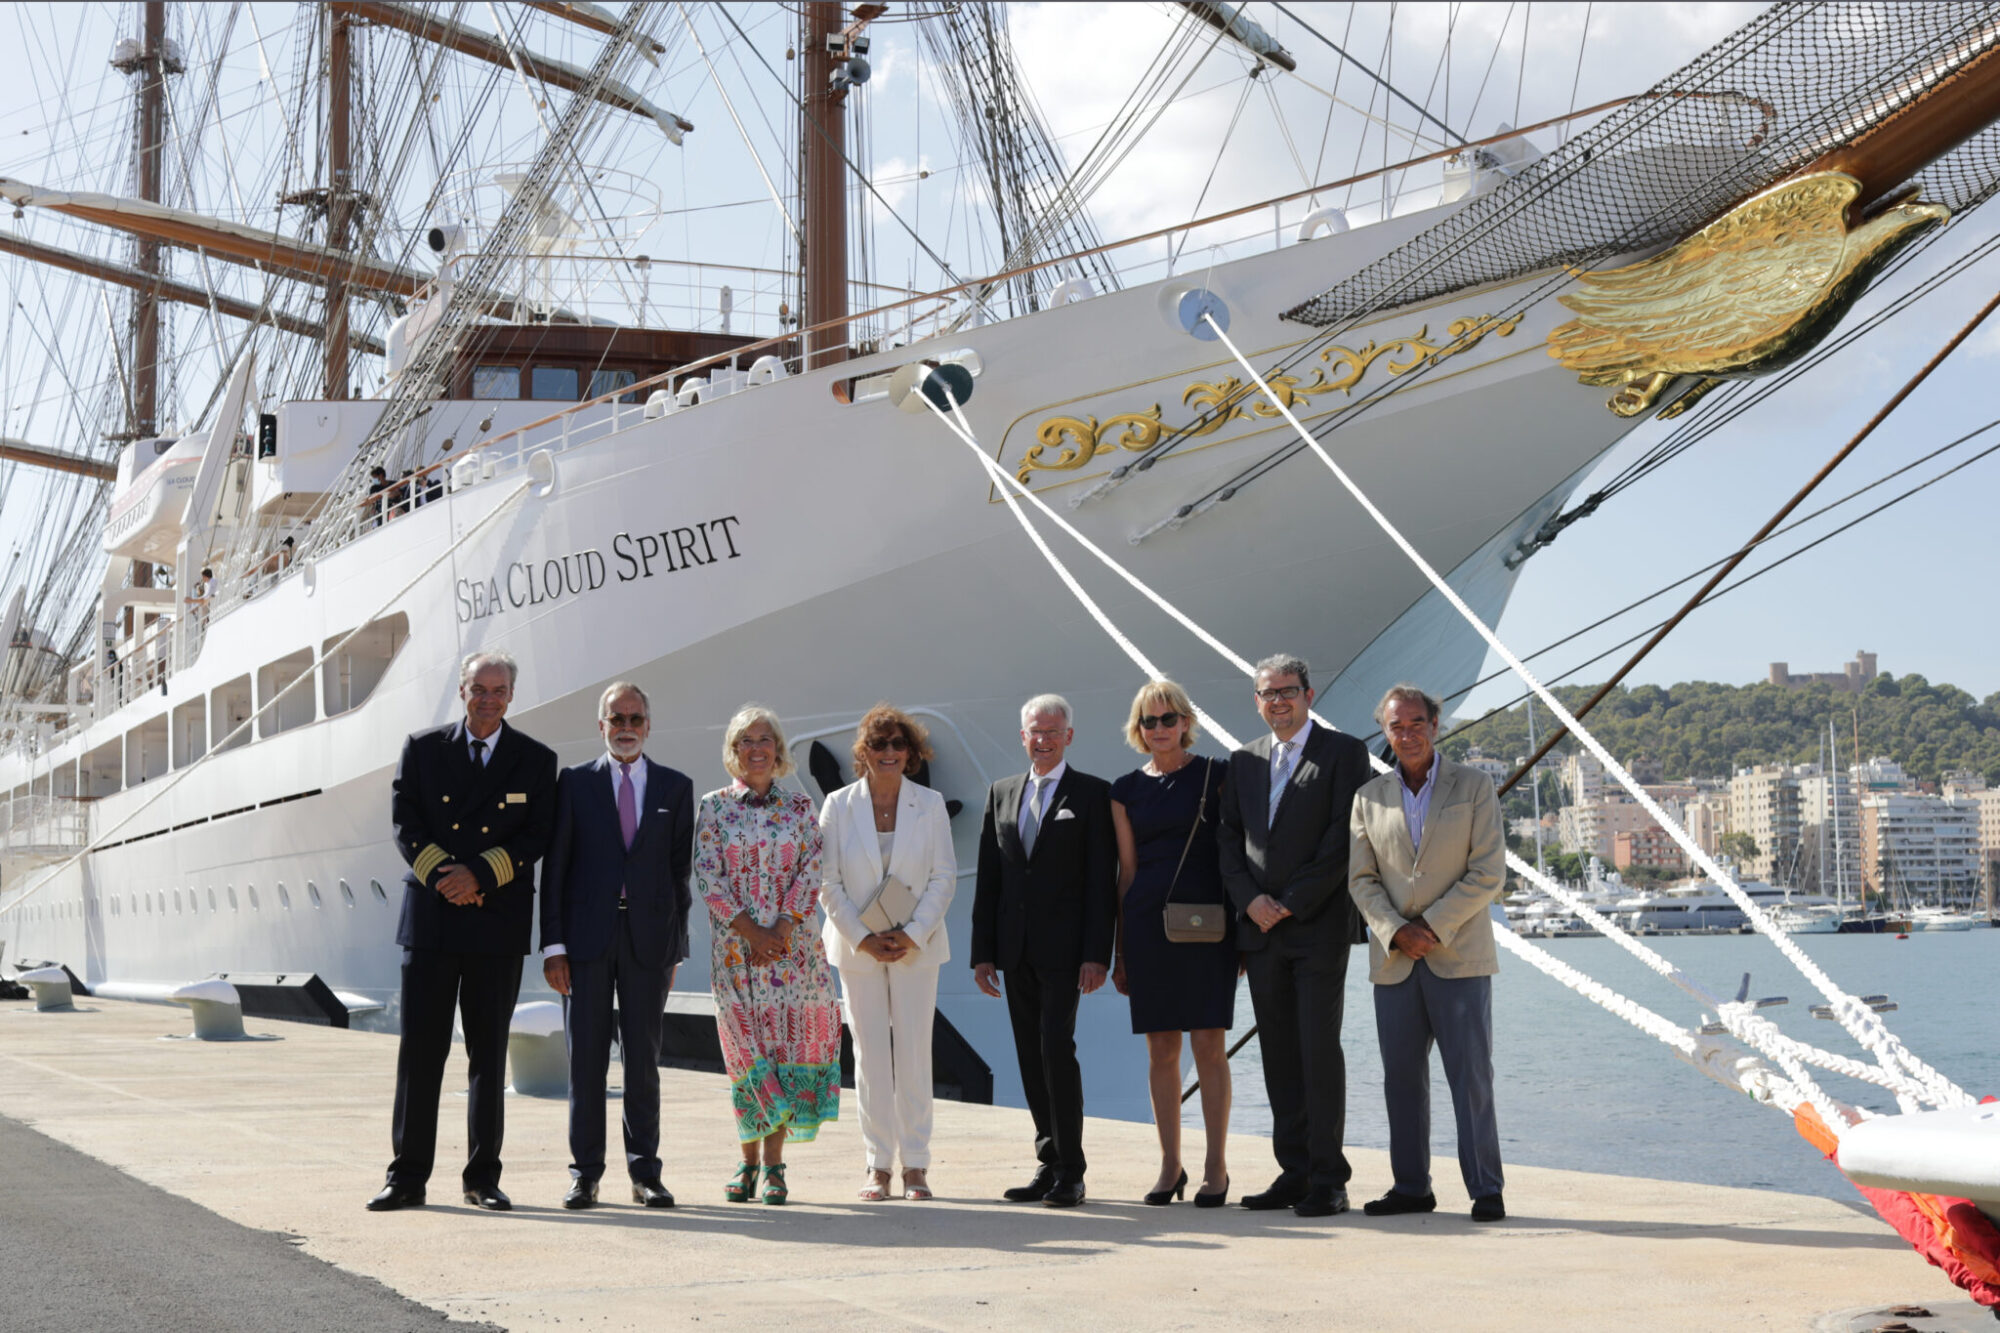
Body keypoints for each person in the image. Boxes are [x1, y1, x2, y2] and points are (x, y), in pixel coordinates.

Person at [369, 651, 557, 1213]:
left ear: (511, 696)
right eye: (479, 688)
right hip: (432, 919)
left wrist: (478, 876)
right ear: (462, 690)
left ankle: (482, 1179)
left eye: (498, 690)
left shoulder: (534, 759)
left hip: (495, 924)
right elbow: (407, 824)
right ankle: (406, 1177)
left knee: (487, 1055)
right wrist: (447, 878)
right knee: (420, 1053)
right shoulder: (424, 749)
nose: (488, 698)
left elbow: (536, 836)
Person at [1216, 653, 1374, 1218]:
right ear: (1257, 702)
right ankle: (1294, 1171)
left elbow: (1342, 837)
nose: (1277, 700)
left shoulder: (1344, 753)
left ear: (1309, 694)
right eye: (1267, 693)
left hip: (1316, 927)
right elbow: (1228, 842)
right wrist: (1250, 902)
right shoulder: (1243, 761)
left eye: (1287, 690)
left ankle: (1330, 1178)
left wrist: (1289, 902)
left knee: (1317, 1049)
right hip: (1260, 930)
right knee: (1278, 1054)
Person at [1350, 684, 1509, 1223]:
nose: (1408, 734)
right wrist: (1397, 931)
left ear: (1436, 725)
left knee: (1471, 1078)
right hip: (1395, 962)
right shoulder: (1368, 797)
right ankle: (1411, 1186)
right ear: (1387, 732)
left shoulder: (1474, 786)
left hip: (1458, 955)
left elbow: (1488, 872)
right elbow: (1362, 880)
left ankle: (1486, 1188)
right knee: (1401, 1080)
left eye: (1417, 723)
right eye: (1397, 726)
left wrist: (1431, 927)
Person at [540, 681, 694, 1210]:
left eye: (635, 718)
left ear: (648, 725)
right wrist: (552, 947)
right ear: (600, 725)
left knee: (643, 1061)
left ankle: (645, 1173)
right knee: (585, 1062)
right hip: (584, 943)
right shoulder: (575, 783)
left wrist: (677, 948)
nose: (625, 727)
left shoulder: (675, 787)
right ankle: (585, 1174)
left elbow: (679, 877)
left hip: (649, 944)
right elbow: (555, 867)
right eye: (616, 718)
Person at [971, 693, 1116, 1208]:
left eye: (1053, 731)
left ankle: (1072, 1171)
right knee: (1030, 1055)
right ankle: (1048, 1161)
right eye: (1036, 730)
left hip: (1067, 950)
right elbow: (990, 879)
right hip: (1015, 949)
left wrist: (1098, 953)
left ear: (1069, 736)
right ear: (1023, 735)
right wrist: (982, 953)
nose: (1044, 738)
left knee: (1057, 1048)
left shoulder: (1093, 794)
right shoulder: (1001, 793)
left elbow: (1103, 880)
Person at [695, 705, 841, 1204]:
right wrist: (750, 933)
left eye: (765, 740)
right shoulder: (712, 807)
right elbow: (708, 876)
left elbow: (810, 872)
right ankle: (747, 1160)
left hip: (793, 955)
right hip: (736, 956)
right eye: (745, 741)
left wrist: (778, 929)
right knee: (745, 1058)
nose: (756, 749)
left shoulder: (800, 809)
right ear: (733, 752)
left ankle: (774, 1167)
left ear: (777, 749)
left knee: (781, 1056)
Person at [818, 704, 957, 1201]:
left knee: (916, 1052)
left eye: (899, 744)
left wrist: (913, 932)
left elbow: (944, 876)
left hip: (915, 946)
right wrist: (863, 936)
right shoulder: (837, 804)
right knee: (871, 1055)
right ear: (864, 752)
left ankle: (916, 1164)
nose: (890, 753)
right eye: (880, 745)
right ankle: (878, 1165)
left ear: (912, 753)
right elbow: (827, 880)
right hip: (859, 949)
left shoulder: (931, 803)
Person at [1109, 679, 1234, 1207]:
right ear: (1138, 730)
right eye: (1148, 721)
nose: (1158, 729)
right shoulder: (1125, 789)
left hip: (1207, 927)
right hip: (1146, 927)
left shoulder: (1217, 775)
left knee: (1209, 1045)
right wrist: (1119, 950)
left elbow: (1234, 856)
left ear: (1185, 721)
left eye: (1167, 719)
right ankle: (1169, 1164)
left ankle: (1216, 1165)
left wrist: (1243, 938)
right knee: (1161, 1050)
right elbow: (1126, 870)